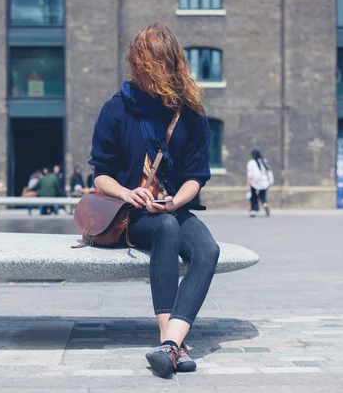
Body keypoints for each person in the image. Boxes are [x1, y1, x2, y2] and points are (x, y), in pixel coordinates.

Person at [89, 23, 219, 378]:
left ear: (173, 63)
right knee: (164, 228)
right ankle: (172, 343)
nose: (157, 73)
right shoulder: (117, 109)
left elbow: (197, 175)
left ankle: (170, 344)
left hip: (174, 207)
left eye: (164, 64)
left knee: (208, 249)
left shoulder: (190, 113)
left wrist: (176, 201)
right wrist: (127, 191)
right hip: (130, 211)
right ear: (138, 64)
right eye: (150, 65)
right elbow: (100, 173)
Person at [246, 150, 272, 217]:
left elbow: (250, 175)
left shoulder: (251, 163)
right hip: (264, 182)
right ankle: (265, 205)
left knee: (253, 197)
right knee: (263, 197)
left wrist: (248, 184)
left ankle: (253, 210)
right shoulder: (264, 161)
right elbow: (268, 171)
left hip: (254, 183)